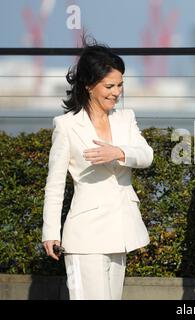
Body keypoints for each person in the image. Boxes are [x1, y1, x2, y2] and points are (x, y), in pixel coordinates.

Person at [42, 40, 153, 300]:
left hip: (121, 231)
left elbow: (147, 155)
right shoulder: (66, 126)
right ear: (89, 86)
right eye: (109, 86)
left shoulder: (126, 118)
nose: (116, 92)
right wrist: (50, 232)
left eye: (120, 85)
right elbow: (55, 184)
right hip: (85, 235)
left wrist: (120, 152)